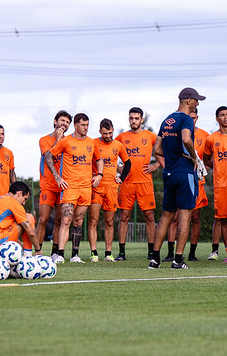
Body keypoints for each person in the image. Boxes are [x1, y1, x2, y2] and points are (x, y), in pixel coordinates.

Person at [148, 87, 206, 269]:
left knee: (165, 216)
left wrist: (171, 157)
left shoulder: (166, 120)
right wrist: (193, 157)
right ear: (188, 101)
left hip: (169, 173)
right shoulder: (187, 119)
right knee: (185, 215)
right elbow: (187, 139)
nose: (197, 103)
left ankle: (155, 259)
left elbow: (157, 149)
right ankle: (178, 260)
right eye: (196, 100)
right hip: (184, 173)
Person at [45, 113, 103, 263]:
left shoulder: (91, 143)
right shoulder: (66, 141)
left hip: (86, 188)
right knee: (66, 220)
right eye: (83, 125)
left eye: (87, 125)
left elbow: (99, 159)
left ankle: (75, 255)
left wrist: (100, 175)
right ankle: (60, 255)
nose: (86, 128)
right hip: (70, 187)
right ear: (76, 125)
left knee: (79, 222)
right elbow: (48, 156)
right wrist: (57, 176)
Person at [116, 107, 160, 261]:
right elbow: (109, 152)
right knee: (124, 217)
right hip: (127, 182)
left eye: (136, 118)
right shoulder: (121, 137)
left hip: (145, 182)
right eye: (131, 118)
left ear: (142, 120)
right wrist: (117, 168)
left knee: (149, 217)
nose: (133, 121)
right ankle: (121, 253)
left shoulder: (150, 136)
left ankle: (151, 252)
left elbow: (166, 149)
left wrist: (156, 165)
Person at [203, 106, 227, 264]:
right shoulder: (211, 139)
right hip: (221, 186)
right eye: (222, 115)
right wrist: (217, 167)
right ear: (217, 119)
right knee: (224, 220)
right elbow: (205, 159)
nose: (226, 118)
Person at [88, 118, 131, 262]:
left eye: (110, 132)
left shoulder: (118, 145)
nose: (108, 136)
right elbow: (86, 161)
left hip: (112, 188)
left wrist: (122, 178)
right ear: (100, 131)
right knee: (93, 220)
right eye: (105, 133)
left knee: (110, 222)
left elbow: (128, 163)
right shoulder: (93, 143)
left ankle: (108, 253)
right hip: (97, 187)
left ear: (113, 130)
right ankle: (94, 253)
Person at [38, 110, 72, 254]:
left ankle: (55, 252)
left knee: (59, 220)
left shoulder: (70, 141)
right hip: (47, 185)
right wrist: (58, 139)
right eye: (62, 121)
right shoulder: (44, 139)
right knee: (44, 219)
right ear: (55, 121)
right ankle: (37, 250)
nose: (64, 124)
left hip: (63, 187)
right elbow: (48, 157)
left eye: (67, 122)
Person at [188, 107, 210, 261]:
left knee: (195, 216)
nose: (192, 120)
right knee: (176, 217)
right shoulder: (178, 132)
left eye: (194, 118)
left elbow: (210, 156)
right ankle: (171, 252)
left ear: (197, 117)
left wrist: (205, 167)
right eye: (189, 117)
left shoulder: (204, 135)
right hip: (181, 177)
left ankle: (192, 253)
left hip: (197, 181)